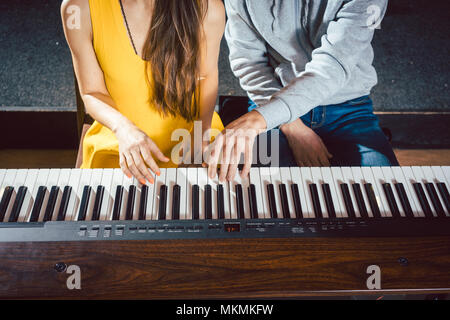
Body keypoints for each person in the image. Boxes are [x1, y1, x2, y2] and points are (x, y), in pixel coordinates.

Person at [205, 0, 399, 182]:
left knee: (390, 200)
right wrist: (292, 126)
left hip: (348, 109)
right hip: (272, 102)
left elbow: (333, 67)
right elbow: (249, 63)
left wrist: (259, 119)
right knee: (270, 201)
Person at [61, 0, 225, 184]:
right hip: (119, 141)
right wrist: (123, 129)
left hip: (194, 134)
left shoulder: (208, 7)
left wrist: (198, 144)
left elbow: (207, 77)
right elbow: (92, 92)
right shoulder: (76, 9)